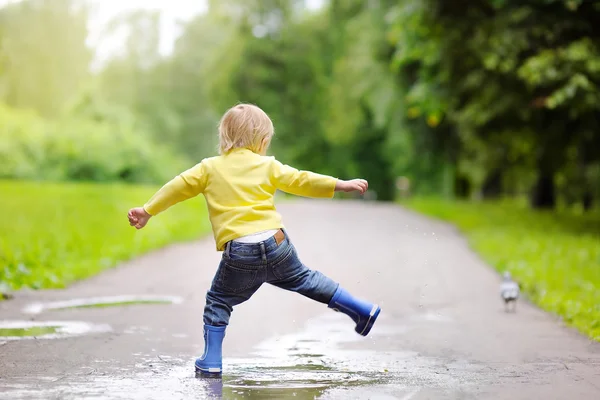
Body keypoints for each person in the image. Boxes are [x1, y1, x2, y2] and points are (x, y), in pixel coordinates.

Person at [127, 103, 381, 375]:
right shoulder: (267, 165)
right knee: (306, 279)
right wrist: (338, 184)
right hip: (276, 243)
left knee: (219, 300)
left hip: (240, 251)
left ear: (224, 137)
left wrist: (148, 210)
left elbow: (177, 187)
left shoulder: (209, 168)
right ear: (262, 141)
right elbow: (301, 180)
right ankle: (361, 309)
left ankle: (212, 360)